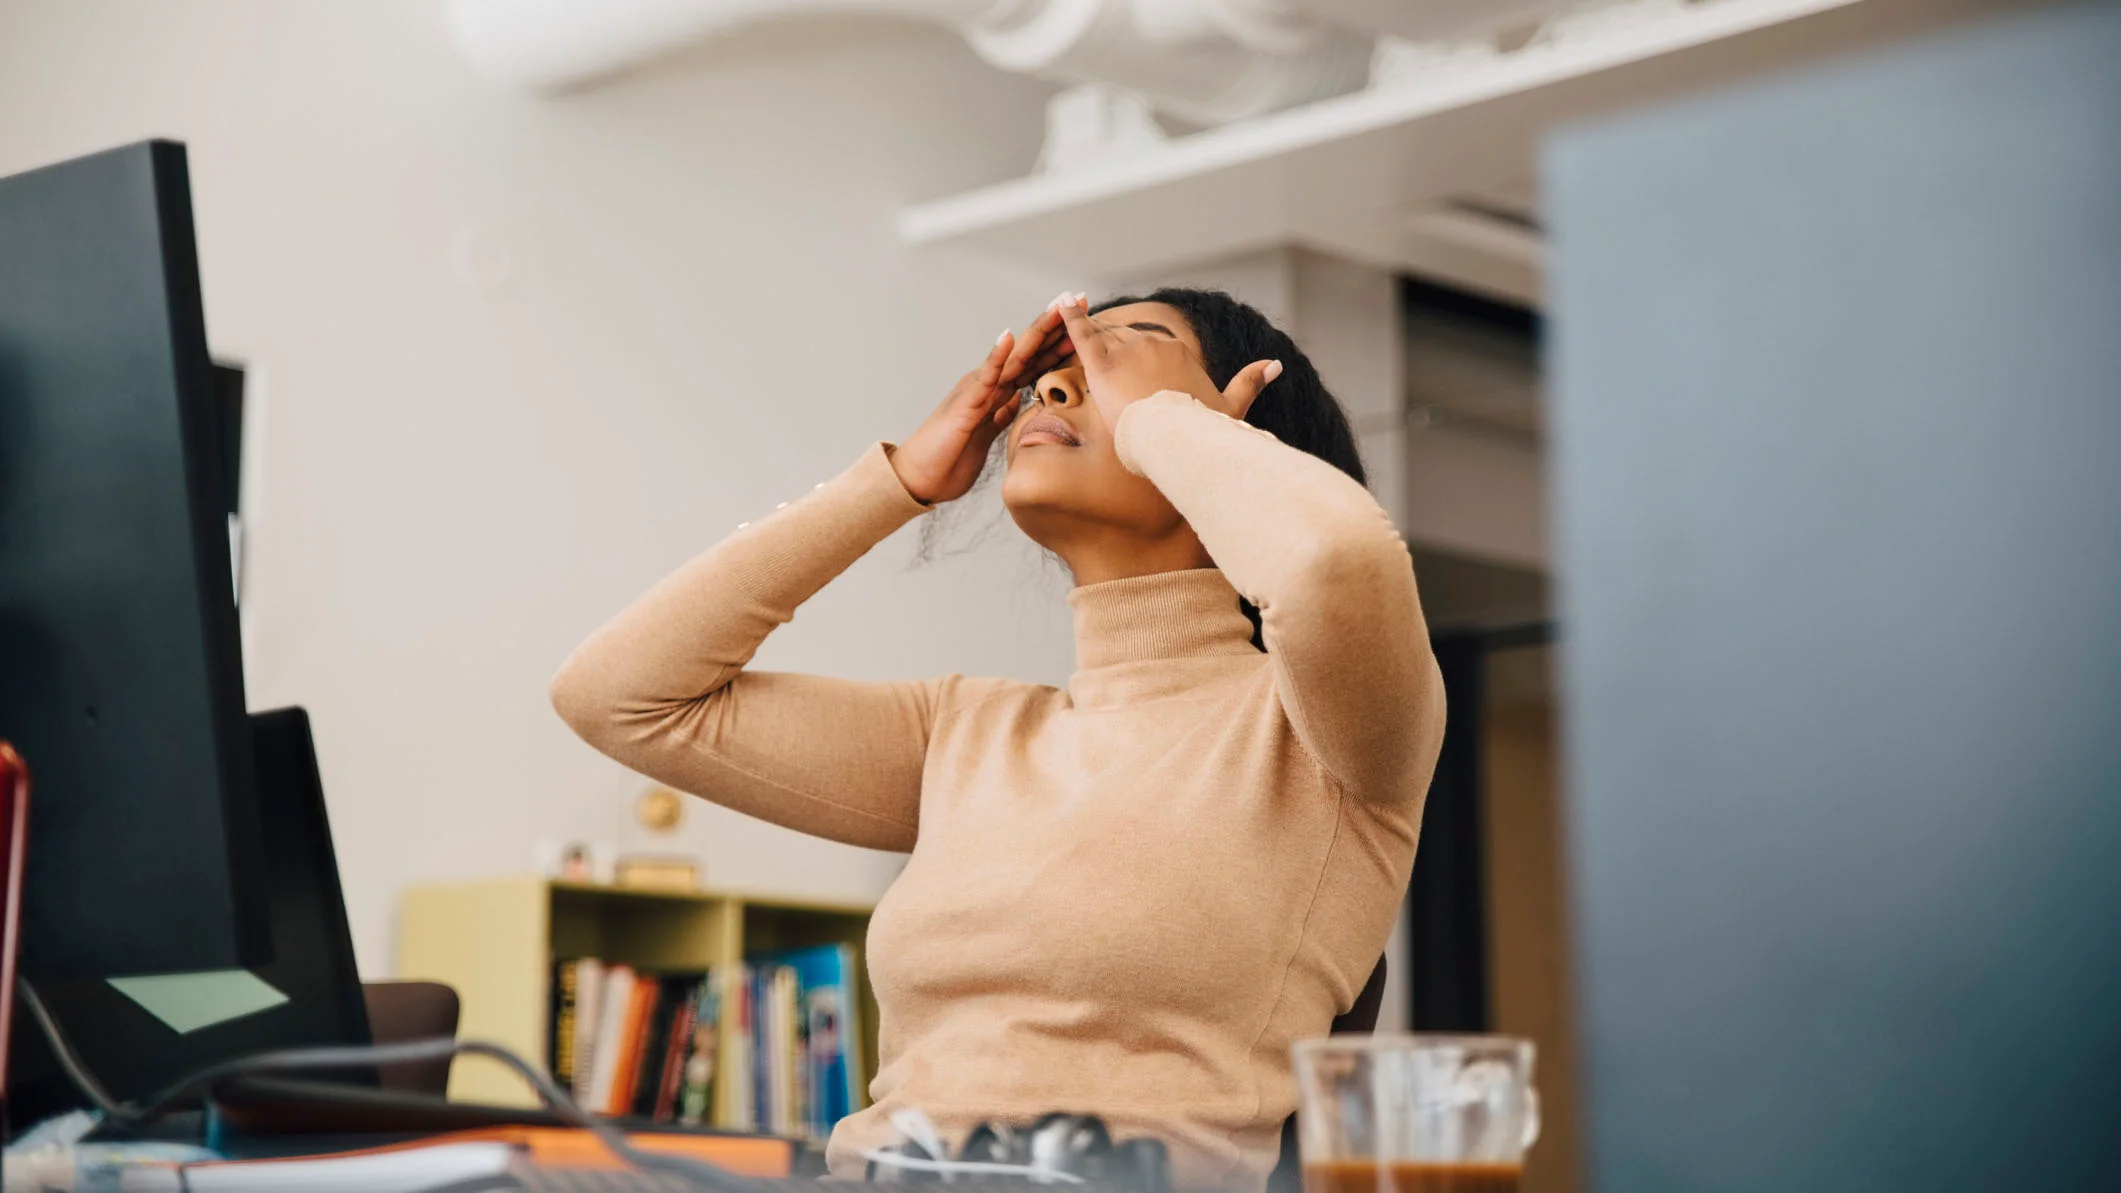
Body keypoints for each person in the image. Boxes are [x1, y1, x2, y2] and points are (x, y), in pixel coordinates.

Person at [551, 289, 1446, 1189]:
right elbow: (619, 697)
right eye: (1052, 371)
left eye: (1117, 359)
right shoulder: (966, 731)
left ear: (1231, 426)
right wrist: (894, 483)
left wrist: (1166, 426)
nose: (1052, 388)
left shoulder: (1324, 732)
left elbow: (1336, 560)